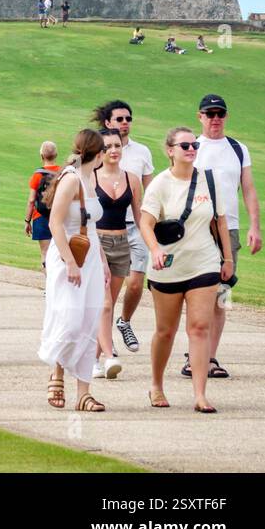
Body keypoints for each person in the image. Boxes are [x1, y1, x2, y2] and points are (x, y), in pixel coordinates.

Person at [139, 127, 229, 412]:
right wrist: (154, 249)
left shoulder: (210, 181)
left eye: (194, 145)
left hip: (204, 263)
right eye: (185, 145)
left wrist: (227, 259)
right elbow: (145, 222)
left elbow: (220, 222)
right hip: (167, 266)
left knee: (200, 327)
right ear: (170, 150)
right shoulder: (160, 184)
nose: (191, 149)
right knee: (166, 331)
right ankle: (156, 384)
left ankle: (200, 394)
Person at [38, 129, 110, 412]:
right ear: (99, 153)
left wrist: (102, 261)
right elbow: (55, 223)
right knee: (69, 319)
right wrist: (69, 261)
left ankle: (83, 392)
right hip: (67, 254)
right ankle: (56, 370)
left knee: (89, 321)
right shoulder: (71, 178)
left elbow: (92, 227)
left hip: (91, 256)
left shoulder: (92, 178)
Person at [193, 94, 262, 379]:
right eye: (210, 114)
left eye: (220, 113)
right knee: (198, 293)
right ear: (200, 117)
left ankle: (209, 357)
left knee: (222, 293)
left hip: (229, 229)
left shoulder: (238, 148)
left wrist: (254, 226)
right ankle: (194, 353)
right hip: (197, 228)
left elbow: (248, 188)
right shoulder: (192, 147)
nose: (215, 119)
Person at [93, 100, 155, 356]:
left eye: (128, 118)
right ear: (108, 123)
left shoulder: (142, 152)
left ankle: (124, 322)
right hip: (101, 230)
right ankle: (102, 352)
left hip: (134, 226)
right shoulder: (96, 155)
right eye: (119, 119)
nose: (125, 123)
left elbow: (149, 194)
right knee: (104, 301)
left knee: (135, 285)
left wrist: (155, 237)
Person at [92, 129, 141, 379]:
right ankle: (110, 356)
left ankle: (93, 358)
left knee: (107, 306)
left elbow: (141, 217)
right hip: (96, 243)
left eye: (117, 146)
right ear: (100, 151)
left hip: (122, 244)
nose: (114, 150)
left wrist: (155, 247)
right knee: (105, 304)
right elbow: (84, 219)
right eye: (108, 146)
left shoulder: (132, 179)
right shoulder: (90, 178)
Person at [25, 141, 62, 262]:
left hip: (40, 217)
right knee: (60, 253)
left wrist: (27, 221)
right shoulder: (62, 173)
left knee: (45, 253)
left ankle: (48, 280)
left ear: (41, 156)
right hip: (59, 216)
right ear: (56, 155)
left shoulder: (37, 175)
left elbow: (31, 200)